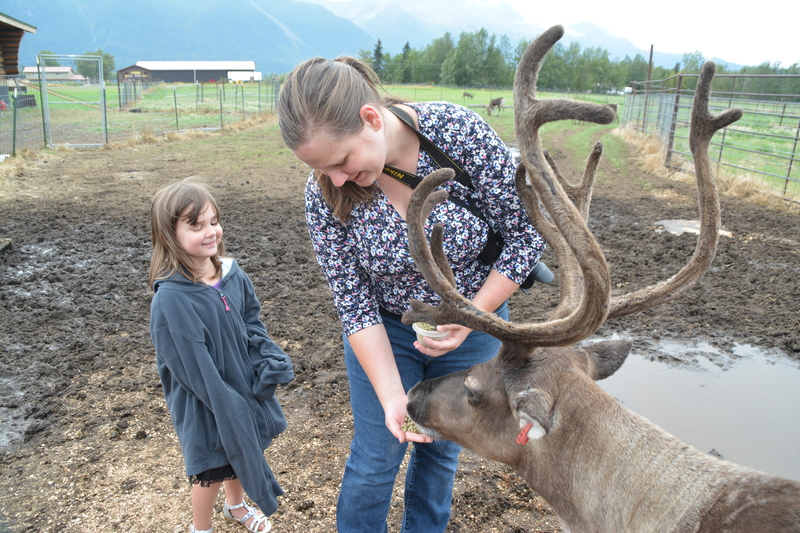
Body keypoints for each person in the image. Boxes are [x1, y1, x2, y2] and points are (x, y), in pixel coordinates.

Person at [277, 56, 546, 533]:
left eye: (340, 161)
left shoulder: (457, 133)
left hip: (476, 326)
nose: (336, 178)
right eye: (322, 169)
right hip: (387, 332)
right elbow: (353, 303)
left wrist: (472, 317)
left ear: (371, 119)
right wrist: (389, 395)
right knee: (377, 458)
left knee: (441, 455)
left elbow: (527, 237)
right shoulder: (324, 192)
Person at [148, 180, 294, 533]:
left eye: (213, 221)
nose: (210, 232)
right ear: (170, 235)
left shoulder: (231, 274)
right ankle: (202, 528)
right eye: (196, 226)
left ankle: (236, 506)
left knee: (242, 450)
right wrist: (230, 404)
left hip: (239, 385)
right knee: (212, 467)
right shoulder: (171, 301)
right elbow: (194, 369)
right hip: (206, 400)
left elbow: (251, 321)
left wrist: (265, 355)